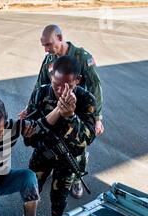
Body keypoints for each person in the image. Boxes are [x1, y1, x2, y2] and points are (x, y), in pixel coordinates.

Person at [11, 56, 96, 216]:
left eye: (68, 86)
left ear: (78, 80)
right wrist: (30, 133)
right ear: (51, 76)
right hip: (43, 153)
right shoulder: (41, 94)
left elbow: (86, 140)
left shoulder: (86, 100)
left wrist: (71, 116)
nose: (60, 91)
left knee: (59, 198)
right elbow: (30, 130)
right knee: (31, 189)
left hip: (67, 159)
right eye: (56, 84)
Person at [32, 24, 104, 198]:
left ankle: (76, 176)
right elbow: (39, 83)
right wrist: (29, 108)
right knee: (52, 141)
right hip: (53, 107)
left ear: (60, 37)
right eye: (44, 46)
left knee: (77, 147)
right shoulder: (50, 60)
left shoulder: (82, 57)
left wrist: (97, 117)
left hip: (78, 109)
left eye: (48, 45)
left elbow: (95, 86)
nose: (46, 50)